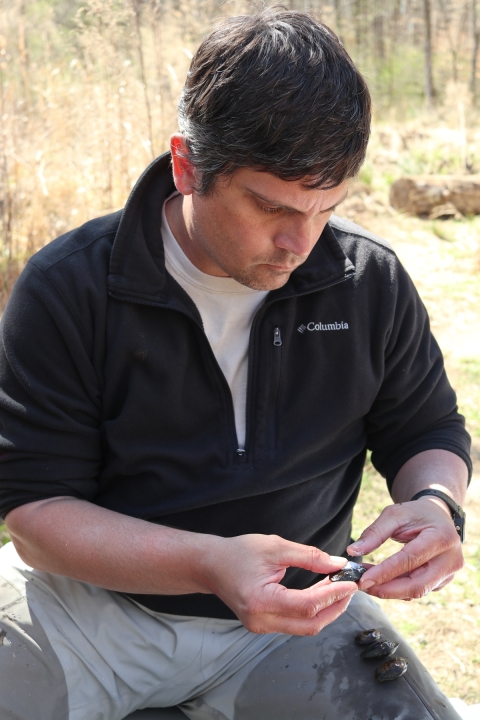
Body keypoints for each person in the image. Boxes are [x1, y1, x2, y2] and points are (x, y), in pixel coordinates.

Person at [0, 8, 471, 720]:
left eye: (326, 209)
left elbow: (428, 429)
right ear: (188, 165)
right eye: (269, 206)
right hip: (84, 612)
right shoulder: (68, 286)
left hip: (294, 621)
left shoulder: (368, 280)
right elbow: (35, 515)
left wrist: (437, 504)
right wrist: (206, 564)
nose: (300, 242)